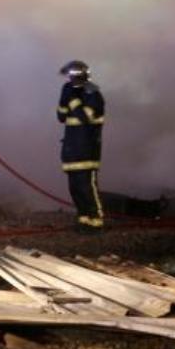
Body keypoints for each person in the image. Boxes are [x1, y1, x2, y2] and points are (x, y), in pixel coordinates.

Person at [57, 60, 105, 232]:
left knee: (87, 189)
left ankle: (96, 221)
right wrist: (65, 99)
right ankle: (83, 220)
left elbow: (86, 119)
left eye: (71, 76)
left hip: (86, 152)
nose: (69, 80)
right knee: (75, 190)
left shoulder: (93, 95)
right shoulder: (70, 92)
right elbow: (61, 117)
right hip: (71, 152)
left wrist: (73, 101)